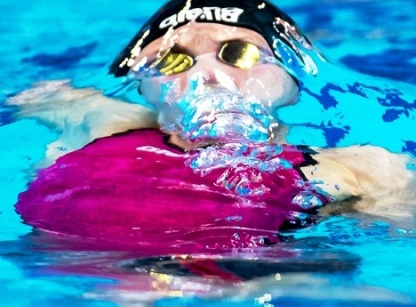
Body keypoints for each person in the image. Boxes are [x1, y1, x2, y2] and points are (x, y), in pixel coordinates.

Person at [11, 0, 416, 250]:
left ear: (294, 83)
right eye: (171, 60)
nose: (205, 71)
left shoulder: (359, 168)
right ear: (141, 84)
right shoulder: (100, 117)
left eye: (237, 52)